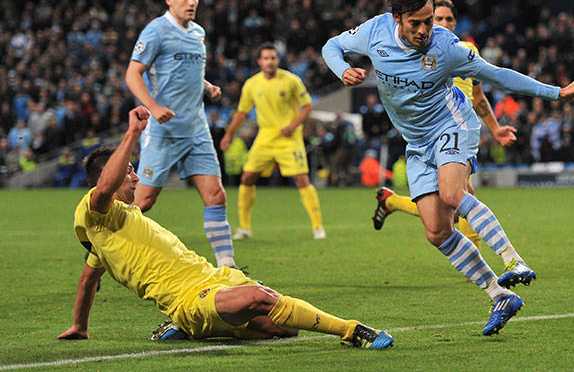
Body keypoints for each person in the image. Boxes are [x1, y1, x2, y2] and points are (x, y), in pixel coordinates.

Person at [322, 0, 574, 336]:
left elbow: (497, 74)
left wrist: (556, 92)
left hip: (452, 123)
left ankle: (514, 261)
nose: (424, 30)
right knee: (436, 231)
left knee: (455, 192)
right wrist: (342, 70)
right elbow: (332, 46)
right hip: (416, 142)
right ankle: (499, 294)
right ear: (397, 18)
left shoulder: (447, 46)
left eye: (429, 22)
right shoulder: (375, 32)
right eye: (417, 22)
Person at [57, 106, 393, 349]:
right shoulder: (96, 212)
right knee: (260, 297)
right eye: (129, 170)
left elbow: (87, 280)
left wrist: (79, 326)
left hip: (213, 278)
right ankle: (351, 330)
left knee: (283, 329)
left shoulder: (112, 234)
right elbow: (103, 190)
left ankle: (204, 331)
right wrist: (133, 133)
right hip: (190, 300)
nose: (134, 176)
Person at [371, 0, 519, 256]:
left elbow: (478, 94)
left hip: (460, 131)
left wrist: (495, 128)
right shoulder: (417, 50)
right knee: (460, 195)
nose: (444, 23)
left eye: (449, 19)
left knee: (448, 201)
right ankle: (478, 253)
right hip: (433, 132)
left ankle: (392, 201)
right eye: (438, 18)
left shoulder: (462, 50)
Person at [124, 0, 238, 269]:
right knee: (144, 201)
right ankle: (100, 253)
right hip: (164, 131)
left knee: (215, 195)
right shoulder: (155, 31)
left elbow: (186, 72)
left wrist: (207, 86)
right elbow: (132, 73)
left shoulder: (198, 32)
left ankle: (228, 267)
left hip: (196, 129)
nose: (192, 2)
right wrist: (153, 106)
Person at [220, 43, 325, 240]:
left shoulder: (291, 80)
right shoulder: (252, 84)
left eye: (274, 58)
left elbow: (307, 106)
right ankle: (244, 228)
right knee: (247, 177)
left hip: (289, 138)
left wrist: (294, 126)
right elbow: (242, 112)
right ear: (260, 61)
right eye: (266, 58)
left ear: (278, 60)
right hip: (265, 138)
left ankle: (318, 227)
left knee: (302, 179)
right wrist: (229, 134)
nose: (270, 61)